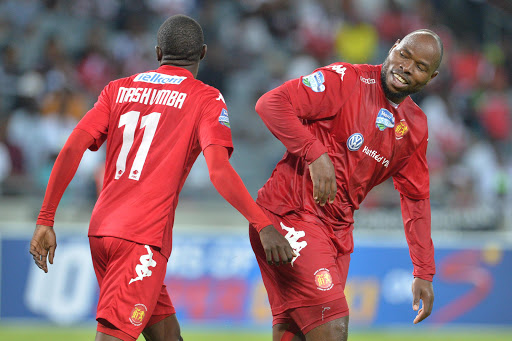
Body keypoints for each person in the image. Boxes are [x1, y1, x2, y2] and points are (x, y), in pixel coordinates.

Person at [29, 14, 295, 341]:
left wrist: (46, 219)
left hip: (101, 231)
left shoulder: (118, 89)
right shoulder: (205, 98)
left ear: (157, 53)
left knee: (168, 336)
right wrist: (262, 224)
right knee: (113, 335)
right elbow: (219, 170)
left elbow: (72, 147)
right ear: (203, 53)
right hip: (140, 238)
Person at [250, 29, 443, 341]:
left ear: (431, 77)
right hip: (292, 214)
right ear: (393, 48)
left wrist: (424, 270)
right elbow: (271, 104)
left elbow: (416, 199)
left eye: (420, 66)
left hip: (338, 232)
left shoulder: (415, 127)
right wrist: (315, 153)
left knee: (296, 334)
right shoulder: (346, 80)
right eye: (404, 55)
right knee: (332, 329)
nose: (406, 67)